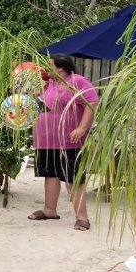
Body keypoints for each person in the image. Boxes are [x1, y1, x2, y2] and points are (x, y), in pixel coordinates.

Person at [27, 54, 99, 230]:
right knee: (50, 173)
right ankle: (49, 210)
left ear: (61, 68)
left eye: (49, 65)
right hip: (46, 139)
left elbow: (92, 103)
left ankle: (82, 217)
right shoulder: (48, 83)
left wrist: (82, 128)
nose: (46, 69)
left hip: (69, 139)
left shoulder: (78, 81)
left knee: (73, 178)